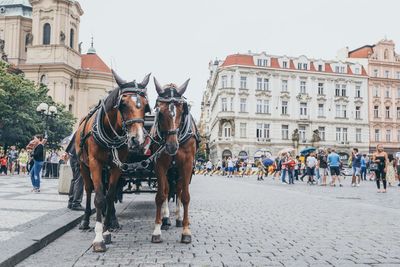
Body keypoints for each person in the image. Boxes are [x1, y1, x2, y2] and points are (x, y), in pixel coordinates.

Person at [66, 137, 84, 211]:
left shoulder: (78, 131)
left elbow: (69, 146)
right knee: (79, 179)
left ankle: (71, 202)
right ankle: (76, 203)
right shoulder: (84, 129)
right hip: (77, 157)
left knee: (75, 179)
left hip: (72, 156)